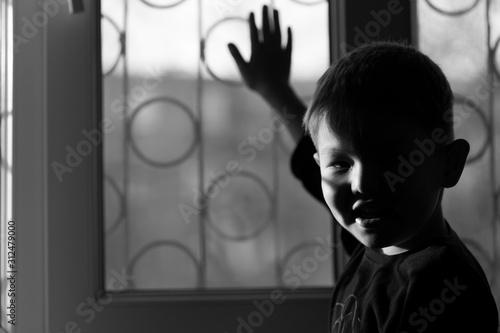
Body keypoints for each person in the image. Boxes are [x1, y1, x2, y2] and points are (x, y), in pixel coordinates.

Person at [229, 6, 499, 332]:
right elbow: (311, 156)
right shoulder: (372, 241)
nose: (363, 183)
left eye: (393, 160)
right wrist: (275, 89)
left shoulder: (442, 286)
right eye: (341, 164)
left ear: (450, 164)